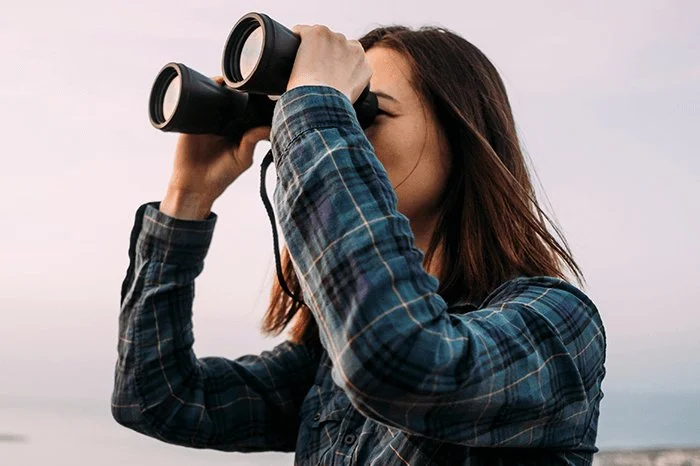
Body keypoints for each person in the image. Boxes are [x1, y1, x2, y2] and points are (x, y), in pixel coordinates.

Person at [112, 22, 607, 466]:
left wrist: (314, 109)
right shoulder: (326, 366)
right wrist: (188, 196)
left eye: (361, 112)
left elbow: (398, 357)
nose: (339, 132)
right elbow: (158, 398)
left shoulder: (556, 323)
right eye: (336, 112)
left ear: (460, 135)